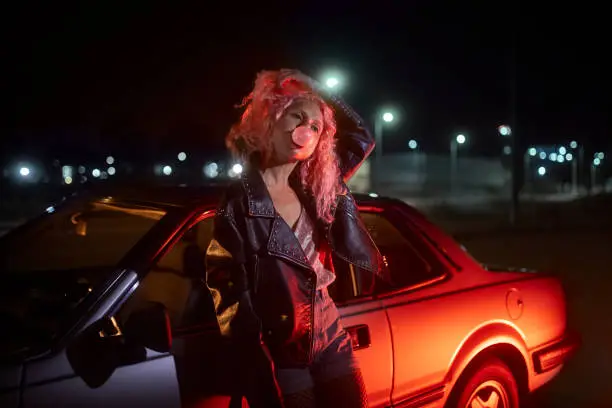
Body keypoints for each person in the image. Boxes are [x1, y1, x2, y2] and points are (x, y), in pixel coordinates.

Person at [205, 69, 384, 408]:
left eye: (315, 127)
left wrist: (317, 89)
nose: (306, 132)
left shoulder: (317, 184)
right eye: (297, 118)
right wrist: (256, 356)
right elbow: (227, 285)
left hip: (329, 328)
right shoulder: (241, 199)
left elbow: (361, 137)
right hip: (282, 343)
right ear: (270, 120)